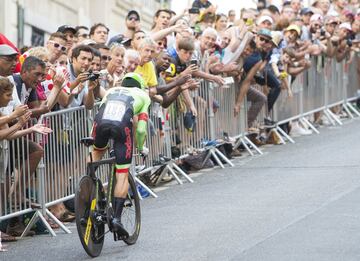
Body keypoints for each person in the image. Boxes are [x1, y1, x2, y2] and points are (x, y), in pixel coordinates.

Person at [90, 72, 150, 237]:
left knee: (96, 151)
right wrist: (141, 146)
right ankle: (116, 218)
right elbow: (141, 129)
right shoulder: (143, 96)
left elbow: (100, 114)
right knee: (122, 173)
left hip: (100, 123)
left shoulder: (112, 90)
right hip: (122, 127)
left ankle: (88, 184)